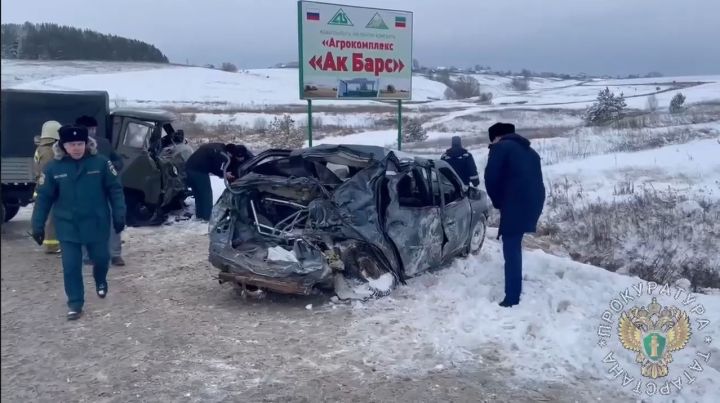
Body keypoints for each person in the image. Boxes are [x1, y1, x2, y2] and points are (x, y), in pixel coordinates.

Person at [31, 125, 126, 320]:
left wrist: (119, 214)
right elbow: (43, 198)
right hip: (68, 226)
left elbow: (115, 190)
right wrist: (37, 225)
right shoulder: (53, 169)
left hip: (96, 222)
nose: (76, 148)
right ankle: (75, 303)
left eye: (80, 143)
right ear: (63, 145)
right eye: (71, 144)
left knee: (101, 259)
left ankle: (100, 280)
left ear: (86, 144)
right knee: (71, 266)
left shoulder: (100, 163)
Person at [484, 123, 545, 308]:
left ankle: (511, 297)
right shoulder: (530, 151)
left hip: (515, 202)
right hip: (533, 201)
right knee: (514, 242)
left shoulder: (500, 147)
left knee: (510, 247)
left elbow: (490, 178)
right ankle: (514, 290)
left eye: (492, 139)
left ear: (496, 136)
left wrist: (498, 201)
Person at [75, 115, 126, 266]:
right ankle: (87, 255)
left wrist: (112, 167)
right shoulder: (74, 146)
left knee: (112, 221)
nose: (92, 131)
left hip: (107, 189)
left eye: (93, 128)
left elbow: (118, 161)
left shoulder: (104, 143)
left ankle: (115, 254)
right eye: (89, 129)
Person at [185, 143, 254, 221]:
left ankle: (201, 216)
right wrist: (225, 174)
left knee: (199, 194)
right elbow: (217, 167)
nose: (231, 157)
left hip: (189, 167)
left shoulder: (219, 147)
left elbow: (214, 166)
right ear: (229, 153)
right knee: (206, 194)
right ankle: (206, 218)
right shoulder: (222, 154)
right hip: (199, 171)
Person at [32, 120, 62, 254]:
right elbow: (50, 170)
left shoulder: (41, 148)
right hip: (49, 187)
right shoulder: (49, 151)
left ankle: (52, 244)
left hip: (42, 185)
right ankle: (52, 246)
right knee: (52, 218)